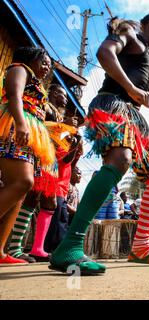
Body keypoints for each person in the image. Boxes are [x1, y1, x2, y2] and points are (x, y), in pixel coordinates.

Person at [50, 13, 149, 274]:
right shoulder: (130, 34)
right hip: (112, 103)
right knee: (120, 160)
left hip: (133, 113)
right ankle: (70, 246)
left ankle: (140, 247)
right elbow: (104, 53)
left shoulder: (148, 59)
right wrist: (130, 88)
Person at [7, 83, 80, 263]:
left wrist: (73, 141)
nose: (65, 98)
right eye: (63, 94)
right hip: (39, 155)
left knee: (49, 203)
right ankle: (15, 247)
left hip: (50, 160)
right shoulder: (45, 106)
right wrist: (63, 125)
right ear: (54, 93)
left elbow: (63, 148)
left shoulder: (58, 113)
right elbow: (38, 126)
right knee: (31, 199)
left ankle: (38, 248)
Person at [0, 47, 54, 264]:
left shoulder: (38, 82)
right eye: (44, 61)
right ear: (31, 58)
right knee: (23, 181)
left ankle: (1, 251)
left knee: (20, 192)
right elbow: (14, 95)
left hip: (30, 133)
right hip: (14, 126)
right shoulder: (19, 69)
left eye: (49, 65)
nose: (47, 67)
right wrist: (21, 123)